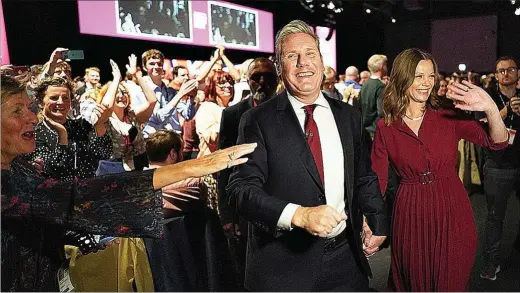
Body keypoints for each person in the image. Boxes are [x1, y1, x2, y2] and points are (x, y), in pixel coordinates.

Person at [0, 74, 257, 292]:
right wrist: (188, 167)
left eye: (28, 107)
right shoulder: (6, 184)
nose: (31, 117)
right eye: (16, 110)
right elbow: (74, 198)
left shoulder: (20, 167)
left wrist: (89, 243)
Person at [226, 20, 389, 291]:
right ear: (279, 66)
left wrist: (377, 219)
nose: (303, 63)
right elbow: (240, 190)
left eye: (310, 54)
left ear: (321, 61)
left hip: (346, 262)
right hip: (283, 267)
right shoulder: (257, 121)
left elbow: (363, 175)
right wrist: (298, 215)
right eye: (292, 56)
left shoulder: (348, 116)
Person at [370, 48, 509, 291]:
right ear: (402, 78)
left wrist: (490, 107)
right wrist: (369, 221)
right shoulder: (386, 126)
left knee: (451, 279)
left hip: (451, 208)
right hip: (409, 213)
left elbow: (497, 141)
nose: (426, 83)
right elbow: (377, 180)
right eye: (418, 76)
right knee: (413, 280)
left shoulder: (447, 113)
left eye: (430, 76)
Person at [217, 57, 278, 288]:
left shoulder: (289, 111)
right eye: (256, 77)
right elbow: (224, 165)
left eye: (268, 76)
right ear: (247, 80)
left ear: (277, 79)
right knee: (246, 271)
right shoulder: (233, 115)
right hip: (244, 206)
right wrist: (227, 215)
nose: (262, 82)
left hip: (281, 202)